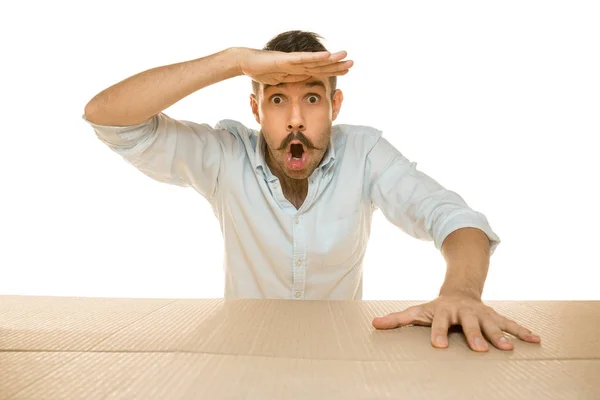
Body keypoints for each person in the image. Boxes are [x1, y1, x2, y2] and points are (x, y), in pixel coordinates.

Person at [83, 30, 541, 352]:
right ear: (255, 108)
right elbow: (108, 117)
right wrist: (234, 61)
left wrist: (461, 292)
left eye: (313, 98)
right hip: (241, 359)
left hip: (340, 360)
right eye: (278, 98)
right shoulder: (226, 154)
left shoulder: (364, 153)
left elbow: (452, 217)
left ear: (335, 105)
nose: (296, 119)